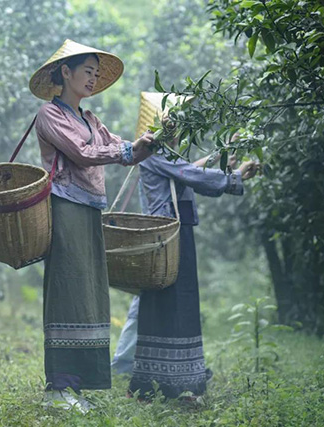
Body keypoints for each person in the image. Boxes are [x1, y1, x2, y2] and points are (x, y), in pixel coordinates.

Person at [29, 39, 156, 412]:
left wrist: (148, 143)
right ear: (65, 72)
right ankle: (58, 388)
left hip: (90, 211)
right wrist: (128, 150)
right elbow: (84, 154)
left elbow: (120, 149)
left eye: (96, 73)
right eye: (87, 70)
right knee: (68, 289)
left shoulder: (91, 119)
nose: (93, 78)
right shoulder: (48, 115)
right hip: (65, 207)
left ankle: (77, 387)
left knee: (89, 292)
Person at [123, 97, 258, 400]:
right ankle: (167, 385)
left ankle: (163, 383)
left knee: (172, 305)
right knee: (169, 305)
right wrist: (233, 175)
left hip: (172, 235)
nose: (176, 128)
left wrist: (226, 156)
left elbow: (189, 170)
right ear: (157, 125)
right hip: (166, 237)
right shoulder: (155, 154)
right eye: (171, 121)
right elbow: (192, 175)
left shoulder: (164, 156)